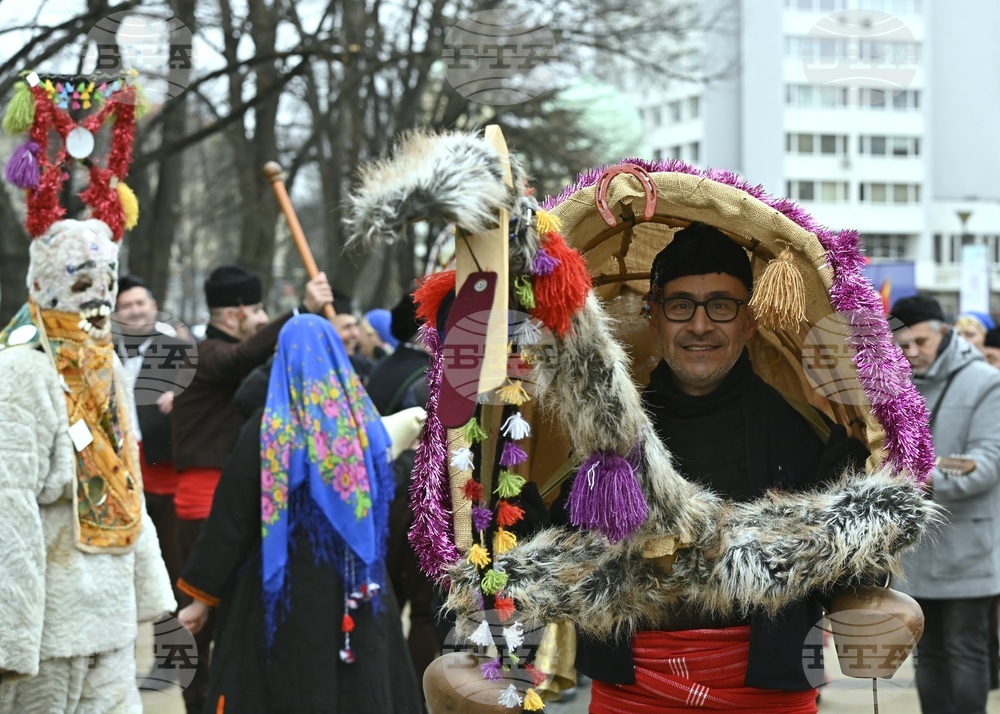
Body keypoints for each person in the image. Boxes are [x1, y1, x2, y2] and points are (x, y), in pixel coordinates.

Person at [559, 222, 869, 713]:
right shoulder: (604, 436)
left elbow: (850, 563)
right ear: (654, 317)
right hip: (631, 691)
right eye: (681, 305)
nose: (700, 326)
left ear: (749, 322)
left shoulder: (809, 434)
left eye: (721, 306)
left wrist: (878, 597)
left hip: (769, 692)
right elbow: (546, 553)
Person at [175, 315, 423, 713]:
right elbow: (384, 491)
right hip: (357, 587)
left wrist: (200, 600)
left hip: (278, 590)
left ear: (282, 360)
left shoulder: (267, 430)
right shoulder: (364, 428)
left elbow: (231, 521)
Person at [0, 219, 175, 710]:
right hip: (49, 622)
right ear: (41, 284)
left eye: (108, 283)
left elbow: (128, 483)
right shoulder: (18, 372)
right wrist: (11, 635)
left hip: (112, 612)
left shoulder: (108, 366)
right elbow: (7, 506)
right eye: (81, 282)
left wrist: (147, 586)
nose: (99, 297)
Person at [170, 264, 332, 711]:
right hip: (208, 512)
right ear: (237, 313)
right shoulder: (203, 354)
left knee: (224, 626)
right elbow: (241, 362)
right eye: (259, 310)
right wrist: (301, 310)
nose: (262, 319)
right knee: (197, 625)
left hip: (226, 509)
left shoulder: (228, 359)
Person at [891, 295, 1000, 714]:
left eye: (921, 341)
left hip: (968, 549)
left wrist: (920, 471)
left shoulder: (985, 382)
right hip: (919, 550)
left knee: (965, 650)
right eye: (902, 345)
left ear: (945, 331)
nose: (913, 353)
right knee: (928, 653)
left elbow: (985, 465)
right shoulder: (897, 385)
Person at [114, 275, 194, 609]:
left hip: (164, 467)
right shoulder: (104, 351)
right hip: (120, 468)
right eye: (126, 306)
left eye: (139, 304)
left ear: (153, 307)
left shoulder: (176, 348)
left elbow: (204, 389)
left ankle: (177, 626)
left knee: (171, 555)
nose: (134, 311)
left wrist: (181, 396)